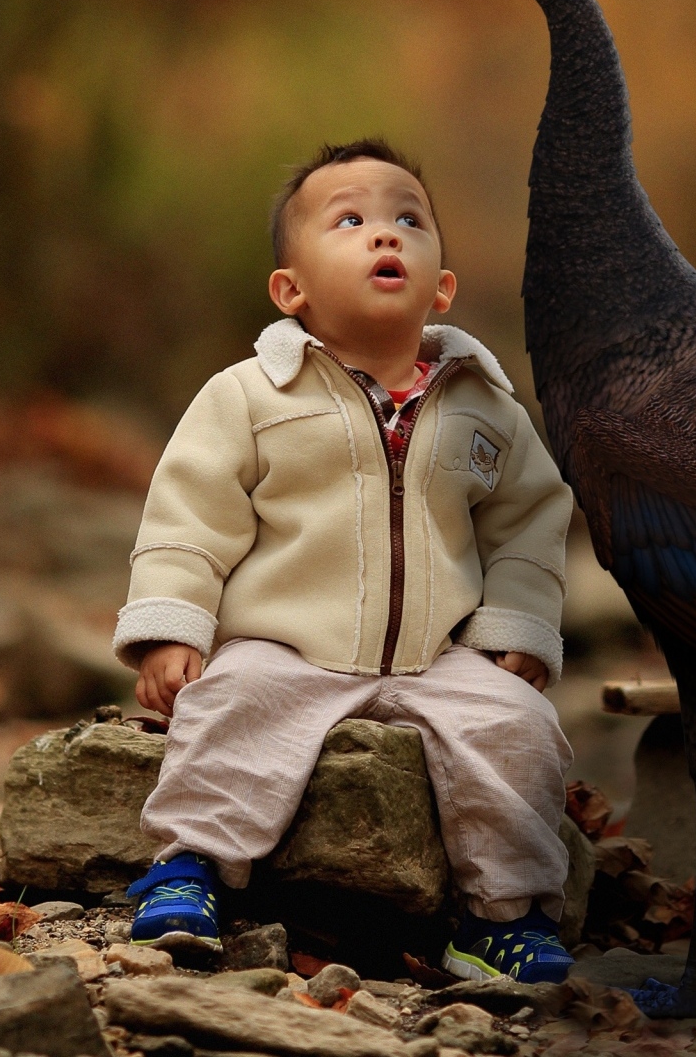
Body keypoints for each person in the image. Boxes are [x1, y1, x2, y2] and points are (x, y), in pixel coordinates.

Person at [111, 139, 580, 984]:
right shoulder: (250, 395)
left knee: (519, 729)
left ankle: (500, 918)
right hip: (285, 644)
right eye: (351, 220)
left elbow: (530, 520)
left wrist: (516, 626)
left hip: (440, 656)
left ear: (442, 286)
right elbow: (189, 513)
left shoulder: (486, 407)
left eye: (408, 219)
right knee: (230, 703)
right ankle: (189, 869)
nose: (384, 235)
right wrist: (172, 626)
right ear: (290, 291)